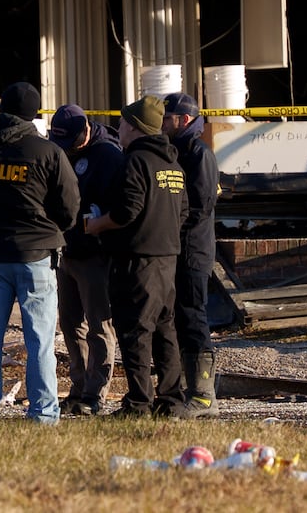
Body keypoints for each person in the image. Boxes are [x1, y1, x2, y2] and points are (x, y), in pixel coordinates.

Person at [0, 82, 80, 424]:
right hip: (36, 255)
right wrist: (48, 228)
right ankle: (43, 413)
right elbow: (70, 207)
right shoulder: (47, 152)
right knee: (39, 340)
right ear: (34, 114)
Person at [85, 95, 188, 418]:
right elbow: (184, 211)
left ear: (134, 126)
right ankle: (171, 400)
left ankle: (139, 402)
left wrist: (97, 225)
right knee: (165, 330)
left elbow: (127, 210)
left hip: (138, 260)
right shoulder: (173, 164)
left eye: (122, 123)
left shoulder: (135, 161)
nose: (118, 129)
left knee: (136, 331)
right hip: (167, 258)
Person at [49, 104, 123, 416]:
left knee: (99, 325)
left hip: (96, 254)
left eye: (70, 142)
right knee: (69, 323)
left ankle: (96, 392)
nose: (66, 149)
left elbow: (121, 204)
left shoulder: (108, 155)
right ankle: (78, 387)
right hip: (67, 249)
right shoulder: (61, 150)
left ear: (85, 131)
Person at [160, 93, 222, 418]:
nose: (161, 123)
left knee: (194, 318)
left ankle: (204, 396)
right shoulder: (175, 151)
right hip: (176, 249)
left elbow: (200, 206)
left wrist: (171, 227)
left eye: (166, 118)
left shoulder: (199, 154)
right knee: (180, 319)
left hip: (193, 252)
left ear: (183, 120)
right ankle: (188, 390)